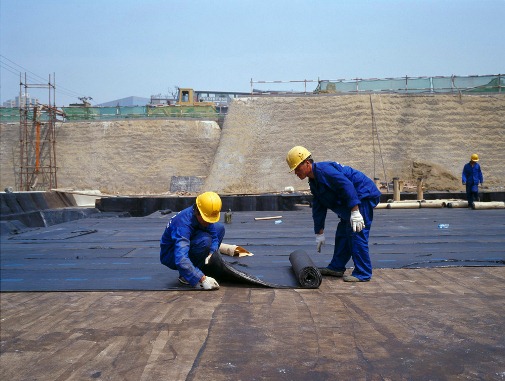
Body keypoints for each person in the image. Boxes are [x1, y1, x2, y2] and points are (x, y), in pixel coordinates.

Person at [286, 146, 382, 282]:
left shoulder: (325, 171)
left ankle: (363, 273)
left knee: (356, 233)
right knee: (343, 233)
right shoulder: (314, 181)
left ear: (307, 163)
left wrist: (355, 211)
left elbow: (346, 185)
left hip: (362, 196)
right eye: (294, 170)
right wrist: (319, 232)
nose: (296, 172)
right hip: (351, 201)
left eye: (297, 168)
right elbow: (319, 206)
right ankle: (336, 267)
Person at [160, 191, 224, 290]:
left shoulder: (203, 213)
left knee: (219, 228)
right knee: (205, 241)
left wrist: (212, 253)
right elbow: (181, 258)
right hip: (171, 254)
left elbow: (215, 236)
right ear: (197, 212)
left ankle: (201, 267)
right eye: (206, 219)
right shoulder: (183, 225)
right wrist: (202, 279)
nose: (208, 222)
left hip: (190, 240)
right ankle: (186, 276)